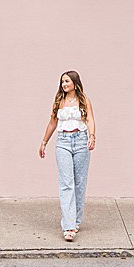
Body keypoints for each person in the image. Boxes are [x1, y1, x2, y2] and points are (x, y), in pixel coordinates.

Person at [38, 70, 96, 242]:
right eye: (62, 82)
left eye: (67, 81)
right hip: (62, 141)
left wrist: (92, 137)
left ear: (75, 83)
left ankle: (75, 220)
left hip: (81, 141)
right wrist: (44, 142)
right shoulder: (59, 101)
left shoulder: (84, 100)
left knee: (79, 183)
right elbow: (52, 122)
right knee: (66, 183)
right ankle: (68, 226)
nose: (64, 85)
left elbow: (90, 119)